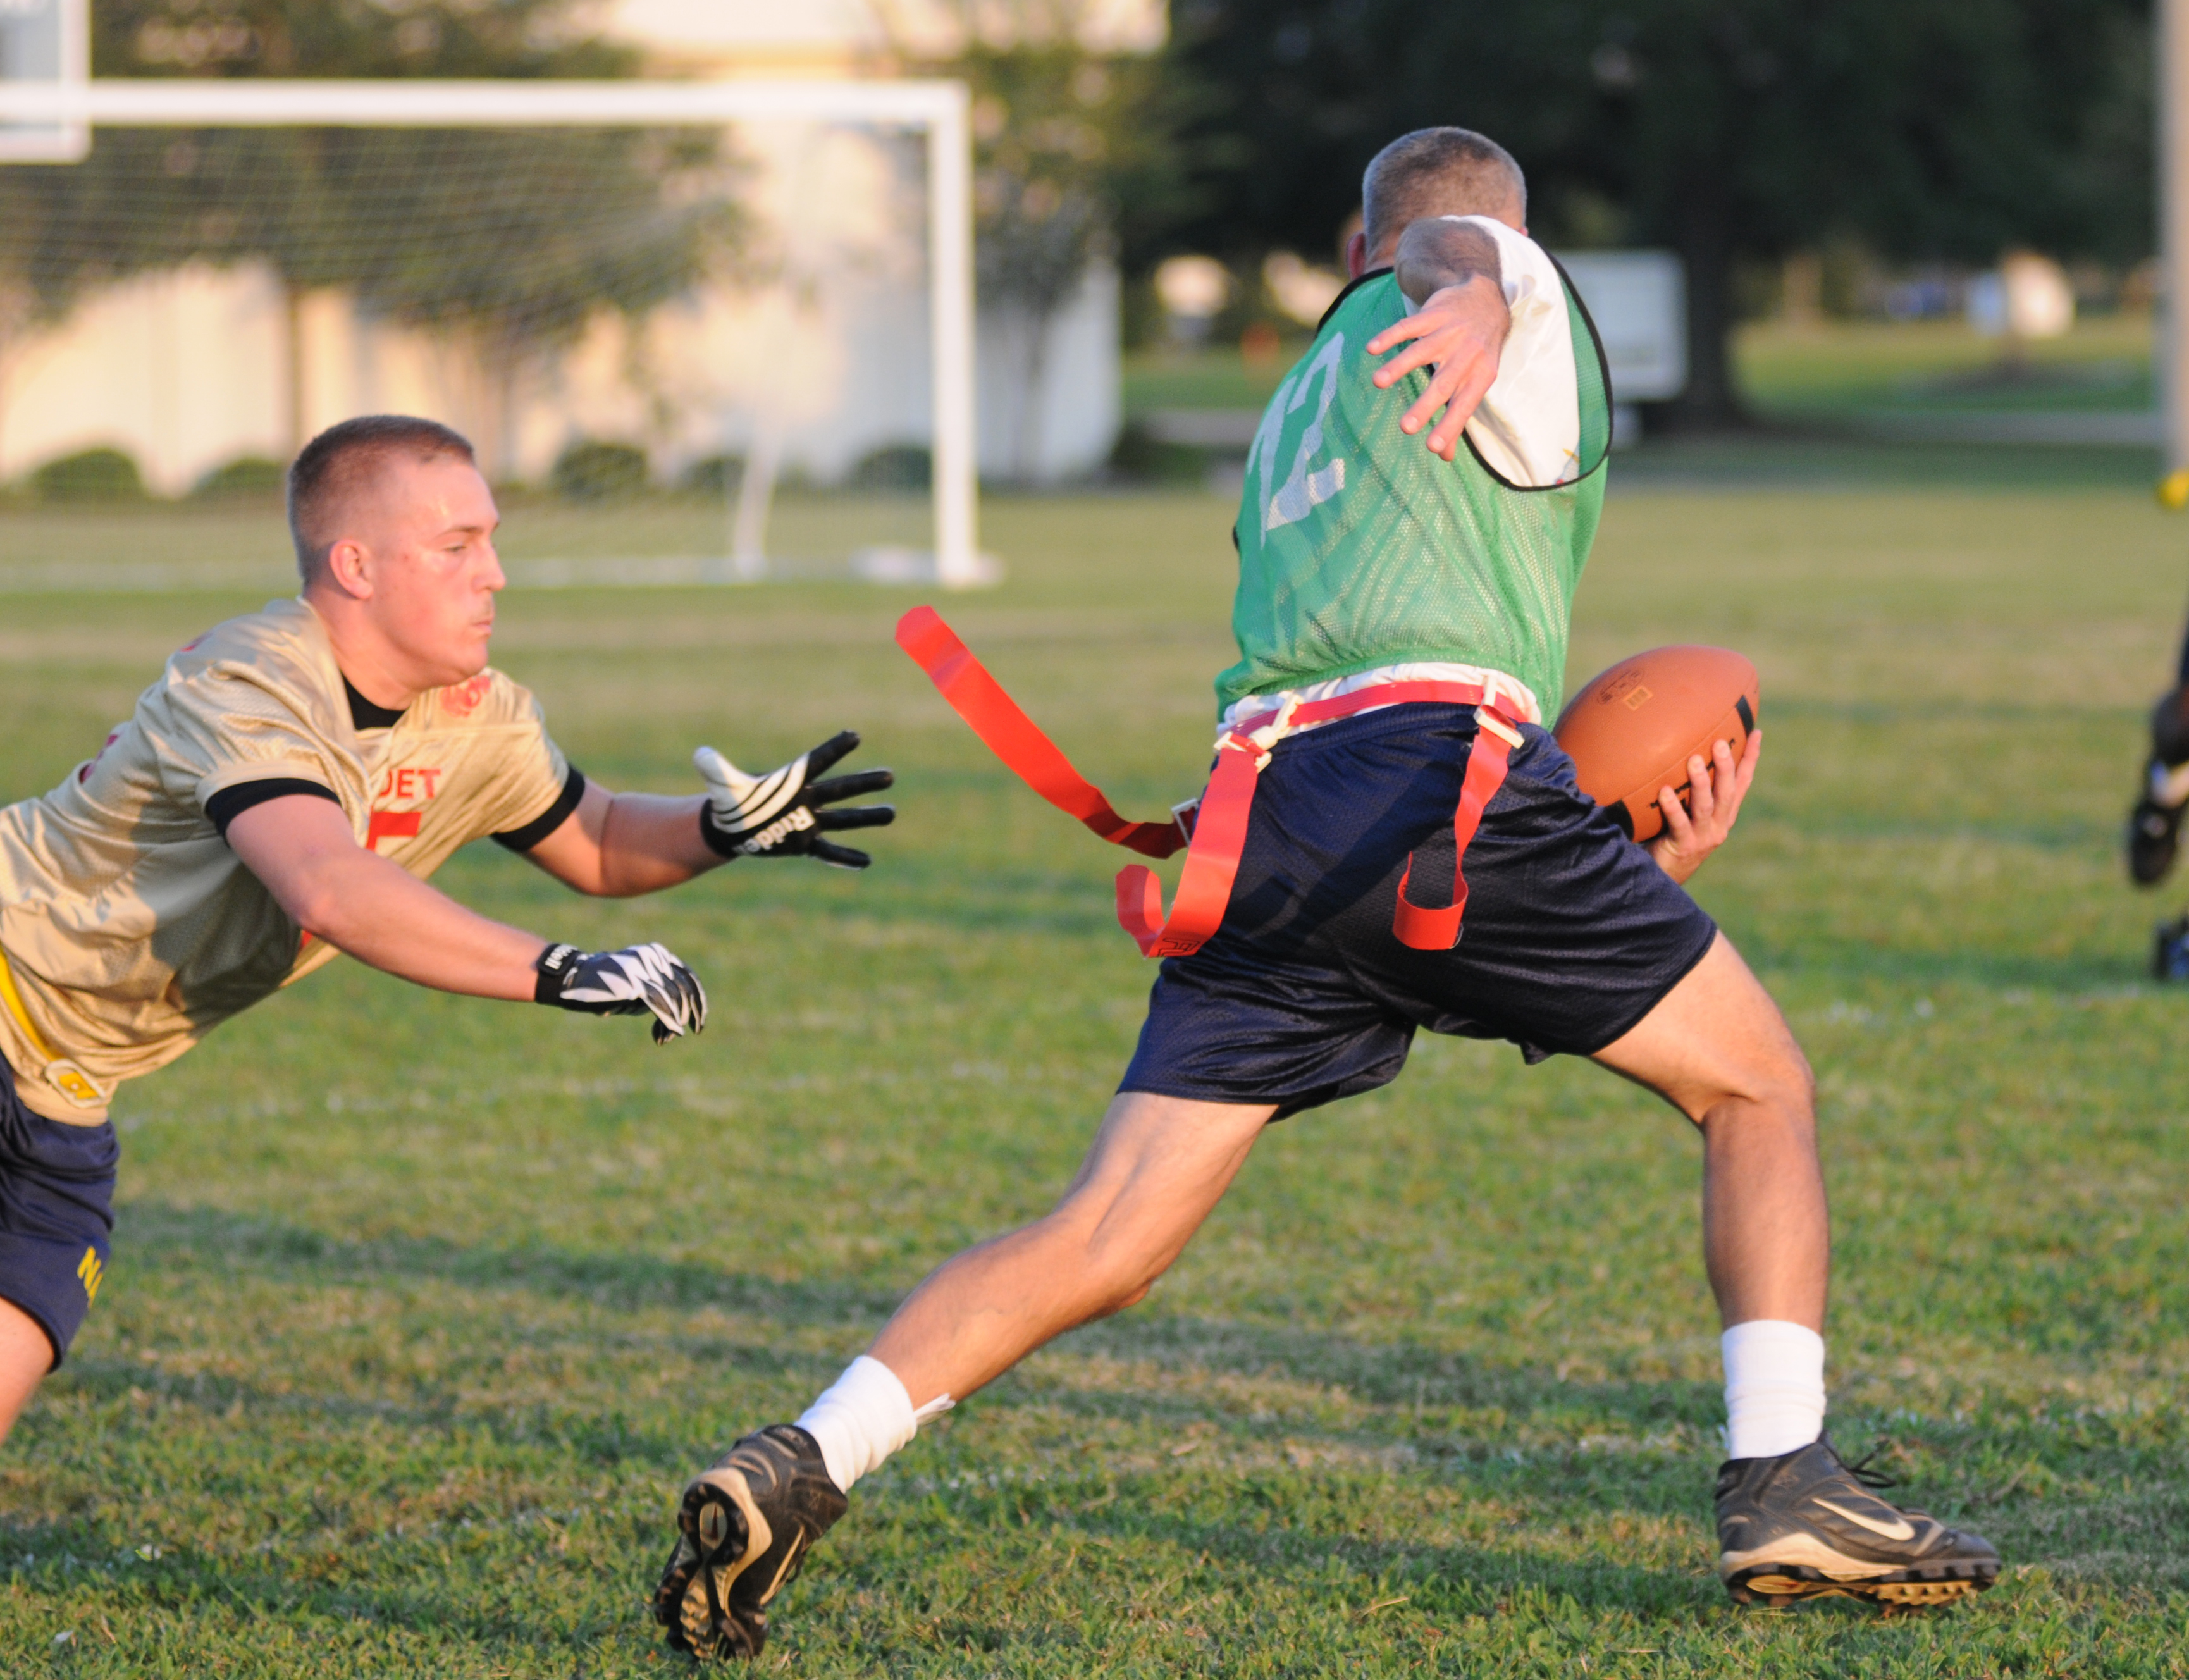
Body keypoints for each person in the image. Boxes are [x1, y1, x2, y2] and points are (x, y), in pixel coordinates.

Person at [651, 129, 1998, 1660]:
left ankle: (800, 1461)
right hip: (1434, 775)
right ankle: (1787, 1477)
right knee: (1761, 1084)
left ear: (1339, 249)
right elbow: (1462, 245)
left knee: (1105, 1229)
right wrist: (1489, 282)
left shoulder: (1298, 401)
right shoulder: (1493, 288)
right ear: (1434, 251)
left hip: (1261, 821)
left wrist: (1595, 885)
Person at [0, 414, 895, 1445]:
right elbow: (329, 885)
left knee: (28, 1316)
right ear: (356, 566)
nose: (496, 575)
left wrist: (721, 829)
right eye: (458, 547)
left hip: (70, 1083)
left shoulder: (477, 715)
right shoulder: (252, 677)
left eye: (493, 540)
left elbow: (596, 837)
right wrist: (559, 971)